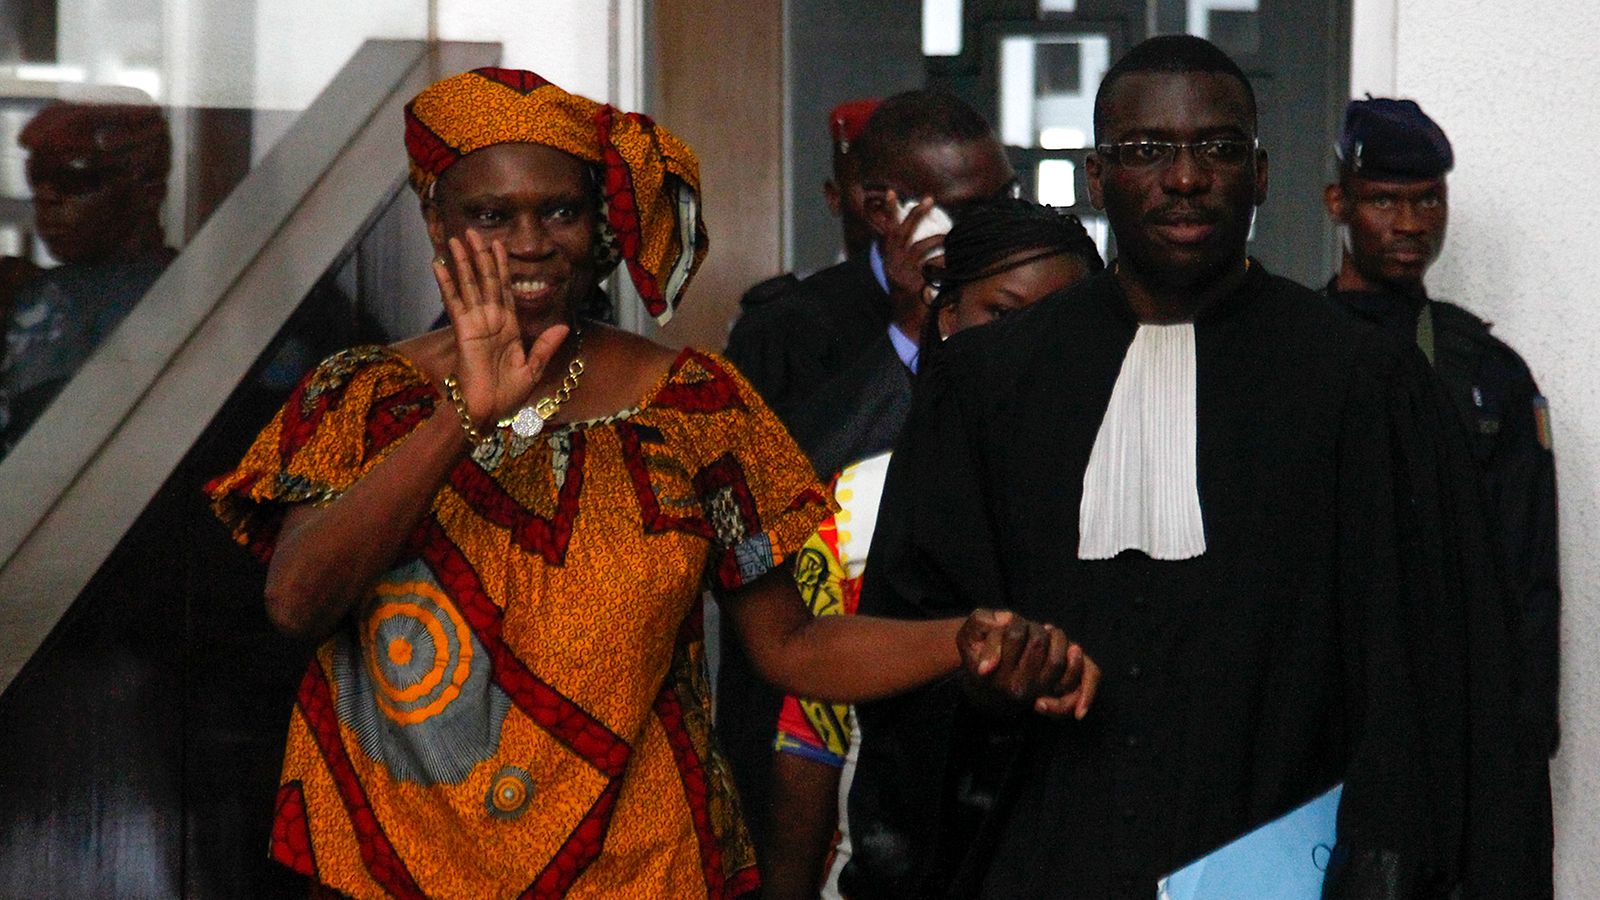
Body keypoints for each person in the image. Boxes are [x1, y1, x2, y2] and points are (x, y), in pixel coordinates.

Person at [206, 68, 1078, 900]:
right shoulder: (357, 398)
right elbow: (296, 602)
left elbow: (791, 648)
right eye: (489, 215)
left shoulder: (694, 404)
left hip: (644, 869)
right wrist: (458, 419)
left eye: (561, 210)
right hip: (389, 866)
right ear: (437, 224)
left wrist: (959, 638)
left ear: (602, 228)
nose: (531, 242)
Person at [841, 36, 1545, 899]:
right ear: (1095, 179)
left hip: (1288, 866)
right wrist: (987, 677)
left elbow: (1432, 678)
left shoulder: (1363, 383)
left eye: (1217, 149)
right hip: (1045, 862)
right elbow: (914, 645)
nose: (1184, 177)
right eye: (1146, 152)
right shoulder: (990, 384)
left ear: (1261, 175)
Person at [763, 199, 1106, 900]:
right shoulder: (856, 508)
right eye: (1005, 318)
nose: (1036, 349)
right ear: (947, 317)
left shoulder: (1135, 500)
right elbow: (812, 737)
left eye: (1068, 324)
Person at [718, 94, 1016, 849]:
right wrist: (914, 332)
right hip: (812, 704)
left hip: (973, 695)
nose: (995, 223)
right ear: (884, 206)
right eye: (969, 207)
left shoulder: (1024, 304)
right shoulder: (785, 326)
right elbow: (769, 504)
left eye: (1004, 199)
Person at [1322, 97, 1561, 763]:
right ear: (1338, 202)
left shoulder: (1489, 371)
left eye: (1429, 201)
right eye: (1384, 201)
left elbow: (1528, 569)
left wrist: (1525, 731)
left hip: (1457, 718)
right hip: (1326, 713)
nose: (1409, 224)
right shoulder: (1294, 351)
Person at [0, 102, 175, 454]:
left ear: (148, 190)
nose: (45, 197)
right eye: (38, 175)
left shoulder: (187, 293)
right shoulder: (27, 291)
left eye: (74, 176)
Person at [737, 98, 881, 317]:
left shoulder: (947, 304)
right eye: (872, 186)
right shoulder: (778, 310)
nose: (889, 201)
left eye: (907, 187)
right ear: (834, 197)